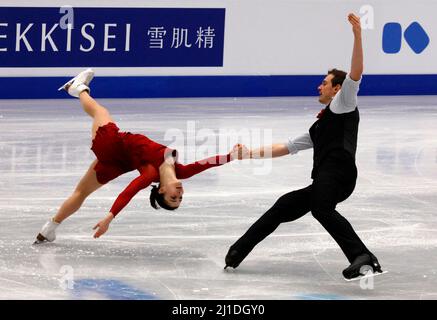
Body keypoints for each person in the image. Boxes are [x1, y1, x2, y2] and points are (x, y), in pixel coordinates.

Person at [224, 13, 383, 280]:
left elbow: (355, 74)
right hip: (327, 178)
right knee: (283, 206)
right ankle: (238, 251)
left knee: (322, 208)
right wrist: (248, 153)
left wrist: (357, 35)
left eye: (324, 82)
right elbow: (287, 147)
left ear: (337, 89)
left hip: (338, 173)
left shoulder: (343, 103)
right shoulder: (320, 125)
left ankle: (362, 256)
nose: (318, 86)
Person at [35, 69, 246, 243]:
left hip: (112, 145)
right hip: (119, 162)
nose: (179, 194)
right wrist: (231, 156)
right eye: (180, 198)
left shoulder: (150, 173)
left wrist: (110, 216)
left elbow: (130, 191)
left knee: (101, 112)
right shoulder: (180, 170)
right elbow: (205, 164)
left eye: (173, 197)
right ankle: (49, 229)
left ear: (162, 190)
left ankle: (78, 88)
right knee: (81, 192)